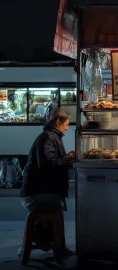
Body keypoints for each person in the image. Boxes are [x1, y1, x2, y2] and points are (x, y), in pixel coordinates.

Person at [19, 108, 75, 256]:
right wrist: (68, 158)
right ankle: (57, 247)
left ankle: (53, 244)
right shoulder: (47, 138)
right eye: (66, 124)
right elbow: (48, 163)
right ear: (58, 121)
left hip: (38, 191)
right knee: (58, 208)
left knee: (59, 206)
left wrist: (66, 156)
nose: (67, 127)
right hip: (36, 193)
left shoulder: (51, 137)